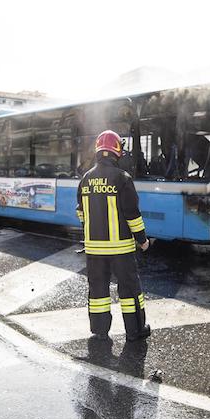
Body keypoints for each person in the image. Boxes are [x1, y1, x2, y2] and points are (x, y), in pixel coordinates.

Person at [76, 130, 152, 341]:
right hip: (121, 250)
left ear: (98, 151)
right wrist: (142, 240)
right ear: (117, 150)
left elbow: (81, 213)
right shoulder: (122, 178)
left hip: (94, 250)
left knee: (98, 290)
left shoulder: (86, 179)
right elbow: (132, 215)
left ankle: (100, 331)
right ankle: (135, 331)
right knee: (129, 291)